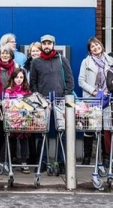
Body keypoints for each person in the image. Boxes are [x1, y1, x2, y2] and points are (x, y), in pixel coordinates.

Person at [30, 34, 74, 174]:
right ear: (41, 45)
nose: (47, 46)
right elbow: (33, 84)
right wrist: (41, 100)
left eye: (49, 43)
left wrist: (63, 98)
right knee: (43, 133)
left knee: (62, 133)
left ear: (54, 44)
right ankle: (42, 161)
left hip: (61, 103)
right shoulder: (36, 63)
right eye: (44, 43)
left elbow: (70, 81)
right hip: (43, 104)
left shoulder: (62, 60)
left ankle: (61, 162)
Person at [78, 37, 113, 165]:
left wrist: (107, 91)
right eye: (92, 46)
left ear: (102, 45)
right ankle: (87, 157)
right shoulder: (86, 62)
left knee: (105, 128)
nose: (95, 47)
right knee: (89, 127)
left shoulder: (111, 61)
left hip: (106, 98)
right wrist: (94, 91)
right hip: (91, 98)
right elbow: (81, 81)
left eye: (97, 44)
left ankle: (105, 157)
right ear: (89, 50)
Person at [0, 44, 20, 167]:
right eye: (2, 53)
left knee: (11, 131)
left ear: (11, 55)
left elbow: (19, 82)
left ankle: (9, 158)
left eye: (7, 53)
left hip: (12, 104)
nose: (5, 55)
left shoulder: (16, 66)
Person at [4, 68, 32, 174]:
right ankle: (6, 161)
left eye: (21, 77)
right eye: (16, 77)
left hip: (24, 120)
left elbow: (30, 104)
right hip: (12, 120)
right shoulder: (8, 91)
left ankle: (24, 162)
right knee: (10, 140)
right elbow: (6, 104)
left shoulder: (27, 91)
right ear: (12, 78)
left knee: (24, 141)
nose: (19, 79)